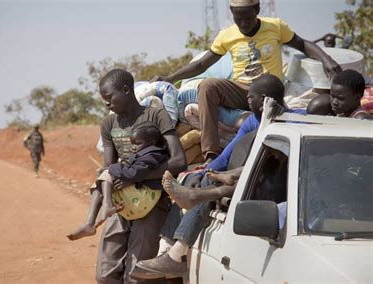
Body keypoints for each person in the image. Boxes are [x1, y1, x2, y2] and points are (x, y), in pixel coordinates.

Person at [131, 74, 307, 280]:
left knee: (207, 184)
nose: (247, 101)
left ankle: (177, 254)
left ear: (264, 98)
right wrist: (203, 171)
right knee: (193, 179)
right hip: (246, 178)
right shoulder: (254, 120)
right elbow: (226, 155)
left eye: (251, 97)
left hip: (273, 185)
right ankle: (166, 250)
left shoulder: (293, 119)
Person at [151, 0, 341, 164]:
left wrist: (327, 60)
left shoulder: (275, 26)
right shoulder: (227, 35)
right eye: (237, 19)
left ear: (257, 10)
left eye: (247, 19)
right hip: (241, 89)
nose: (242, 23)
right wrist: (169, 78)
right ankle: (211, 152)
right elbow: (201, 63)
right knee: (207, 86)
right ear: (232, 14)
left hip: (269, 88)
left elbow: (303, 44)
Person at [94, 69, 186, 284]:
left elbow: (179, 161)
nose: (107, 104)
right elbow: (109, 166)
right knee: (104, 275)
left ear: (126, 90)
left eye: (109, 98)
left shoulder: (155, 115)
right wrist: (123, 178)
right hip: (120, 201)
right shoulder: (109, 124)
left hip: (152, 201)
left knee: (136, 275)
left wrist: (136, 177)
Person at [67, 124, 170, 241]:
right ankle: (92, 221)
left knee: (107, 172)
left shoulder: (151, 156)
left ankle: (99, 213)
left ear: (152, 142)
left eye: (138, 143)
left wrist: (113, 167)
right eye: (132, 144)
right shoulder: (150, 154)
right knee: (102, 182)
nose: (133, 147)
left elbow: (133, 174)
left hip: (142, 200)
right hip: (138, 204)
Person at [307, 69, 371, 119]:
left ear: (357, 98)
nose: (334, 102)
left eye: (341, 98)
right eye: (332, 96)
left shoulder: (360, 118)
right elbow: (314, 108)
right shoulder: (342, 111)